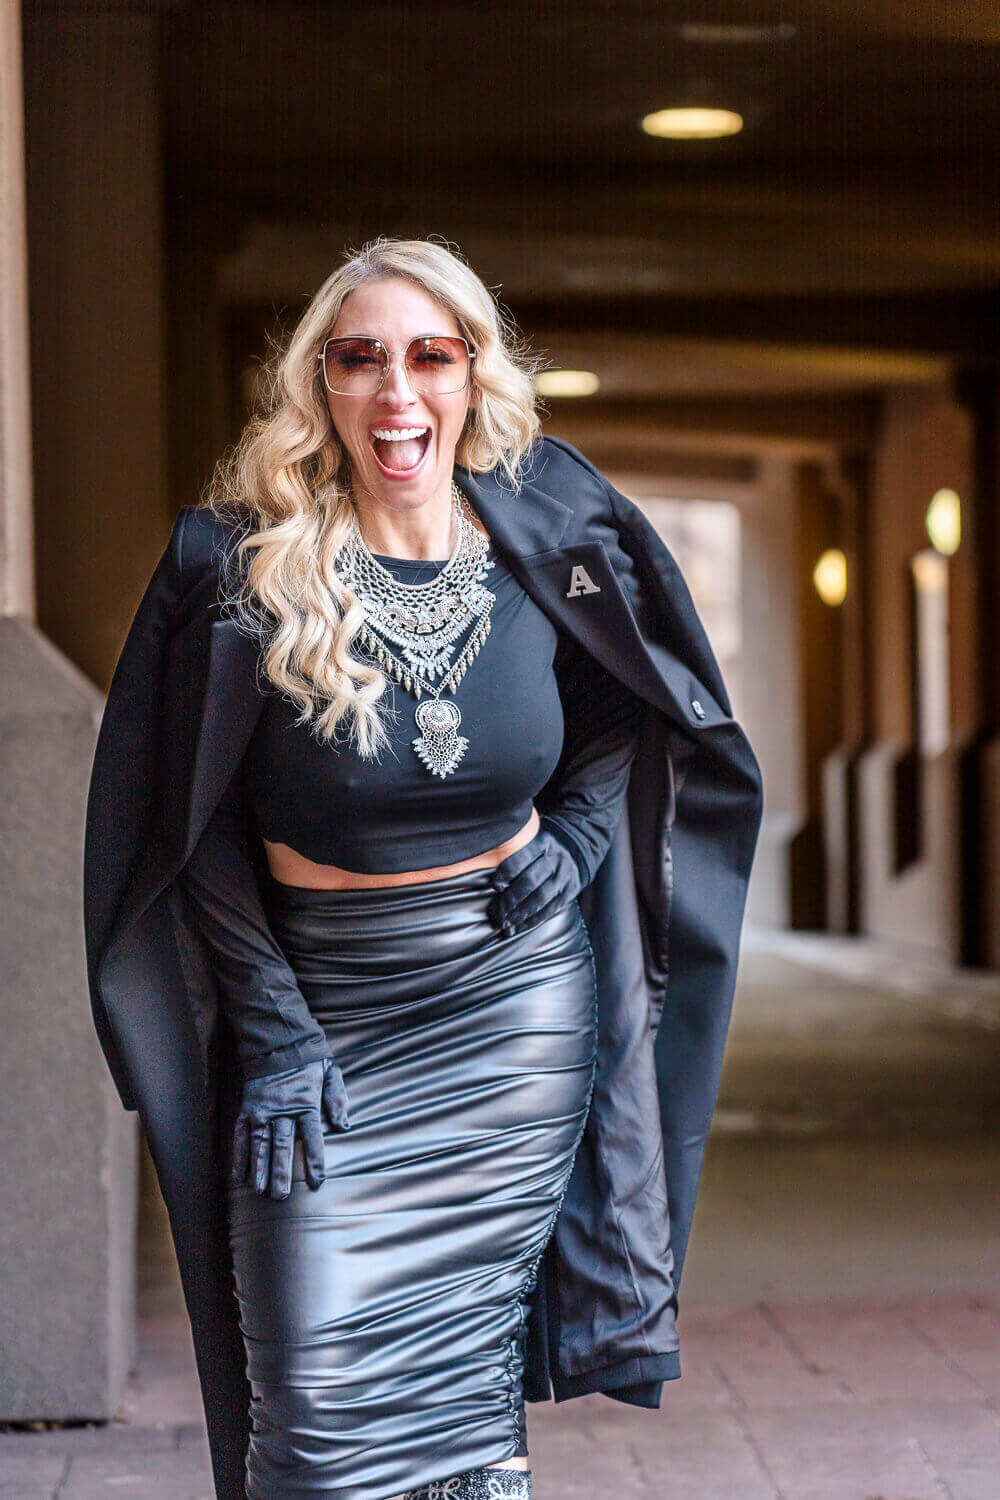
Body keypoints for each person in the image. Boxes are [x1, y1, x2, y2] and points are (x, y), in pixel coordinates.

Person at [83, 235, 763, 1500]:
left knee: (463, 1411)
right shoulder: (236, 567)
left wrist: (574, 836)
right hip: (324, 1019)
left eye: (429, 357)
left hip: (513, 1025)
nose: (397, 393)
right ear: (320, 387)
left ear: (471, 377)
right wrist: (276, 1034)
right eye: (361, 359)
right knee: (316, 1413)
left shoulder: (547, 534)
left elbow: (628, 706)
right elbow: (196, 830)